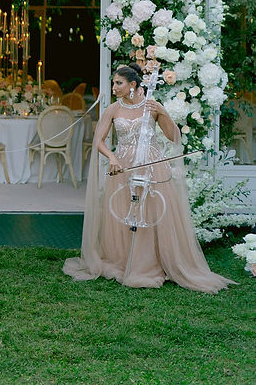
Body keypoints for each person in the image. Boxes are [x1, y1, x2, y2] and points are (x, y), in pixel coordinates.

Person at [63, 64, 234, 293]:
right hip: (123, 168)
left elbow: (174, 136)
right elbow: (98, 141)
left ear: (133, 85)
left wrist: (162, 111)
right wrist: (112, 157)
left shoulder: (151, 107)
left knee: (152, 214)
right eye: (114, 83)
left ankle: (155, 261)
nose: (114, 87)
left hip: (152, 167)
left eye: (119, 83)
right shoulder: (113, 109)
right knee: (124, 214)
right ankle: (125, 260)